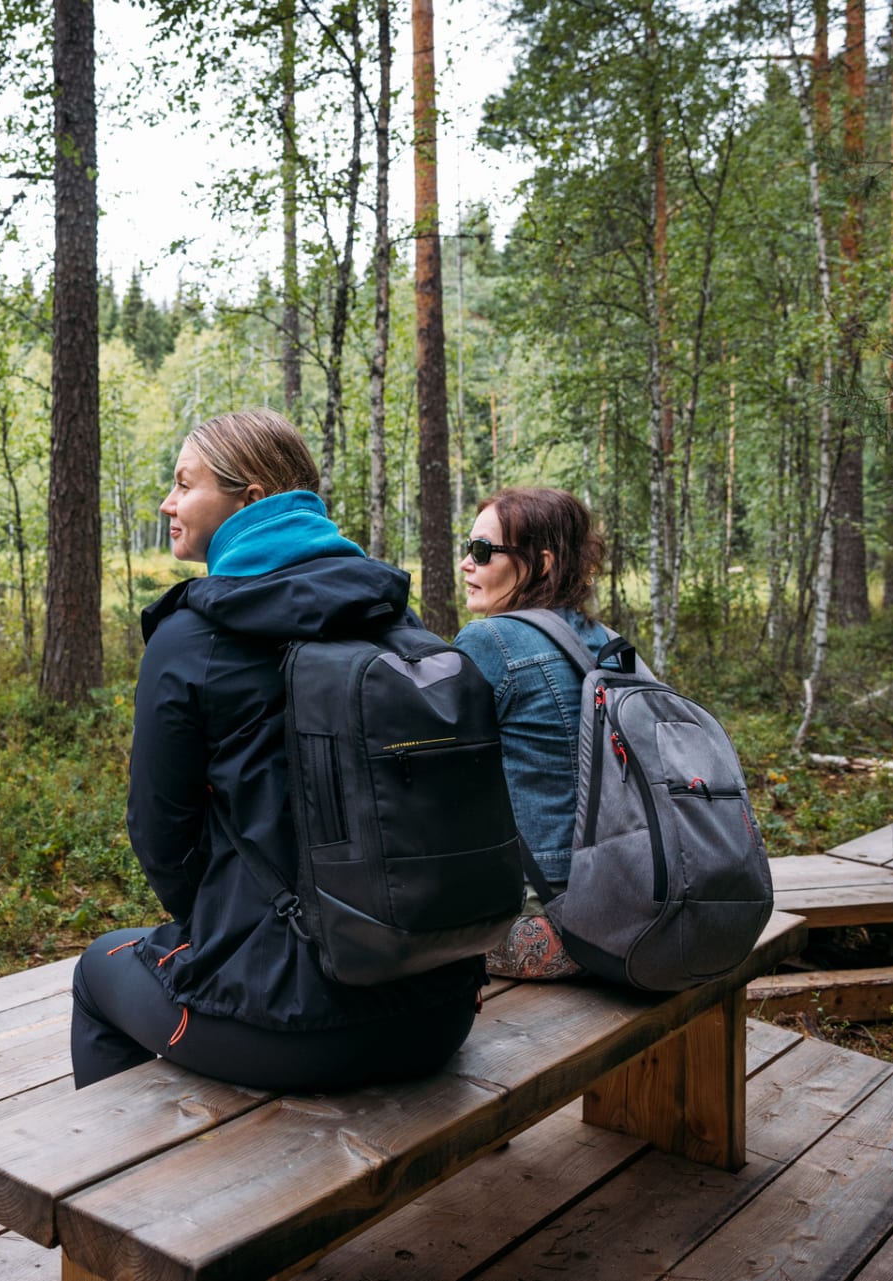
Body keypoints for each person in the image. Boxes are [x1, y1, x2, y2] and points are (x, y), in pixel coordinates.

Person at [70, 409, 482, 1091]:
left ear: (251, 498)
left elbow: (161, 839)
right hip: (439, 1006)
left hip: (289, 1029)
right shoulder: (392, 614)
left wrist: (232, 924)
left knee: (97, 968)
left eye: (184, 484)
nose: (168, 503)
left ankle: (132, 1194)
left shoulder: (190, 637)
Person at [453, 487, 610, 980]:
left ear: (541, 564)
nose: (465, 564)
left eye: (482, 551)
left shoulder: (489, 641)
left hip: (540, 922)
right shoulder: (605, 641)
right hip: (617, 903)